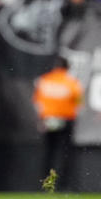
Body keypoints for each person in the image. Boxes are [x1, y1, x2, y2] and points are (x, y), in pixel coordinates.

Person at [33, 56, 83, 191]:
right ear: (68, 67)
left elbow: (38, 103)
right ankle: (65, 185)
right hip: (66, 119)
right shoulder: (72, 82)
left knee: (50, 152)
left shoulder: (44, 80)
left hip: (49, 119)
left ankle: (47, 185)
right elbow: (79, 103)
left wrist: (42, 119)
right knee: (66, 153)